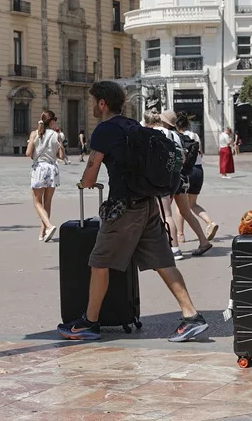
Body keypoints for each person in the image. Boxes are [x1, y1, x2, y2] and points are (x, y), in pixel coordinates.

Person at [58, 81, 208, 342]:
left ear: (102, 103)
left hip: (123, 207)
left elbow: (91, 175)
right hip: (149, 203)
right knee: (163, 261)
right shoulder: (133, 126)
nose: (93, 106)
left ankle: (89, 323)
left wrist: (84, 182)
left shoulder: (105, 130)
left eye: (93, 101)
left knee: (99, 261)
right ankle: (191, 316)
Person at [154, 110, 212, 259]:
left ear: (163, 121)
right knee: (185, 211)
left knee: (166, 214)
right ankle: (203, 241)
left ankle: (174, 249)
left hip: (166, 179)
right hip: (179, 178)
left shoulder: (161, 132)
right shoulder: (178, 137)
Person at [174, 112, 219, 243]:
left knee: (180, 205)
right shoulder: (195, 135)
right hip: (198, 170)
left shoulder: (177, 136)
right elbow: (201, 154)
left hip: (186, 171)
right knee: (192, 204)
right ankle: (210, 222)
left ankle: (180, 235)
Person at [26, 110, 62, 243]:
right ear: (51, 121)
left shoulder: (34, 134)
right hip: (53, 169)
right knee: (47, 202)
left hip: (39, 169)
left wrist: (31, 143)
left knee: (37, 202)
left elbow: (28, 153)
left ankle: (49, 225)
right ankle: (43, 233)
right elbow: (60, 155)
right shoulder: (56, 135)